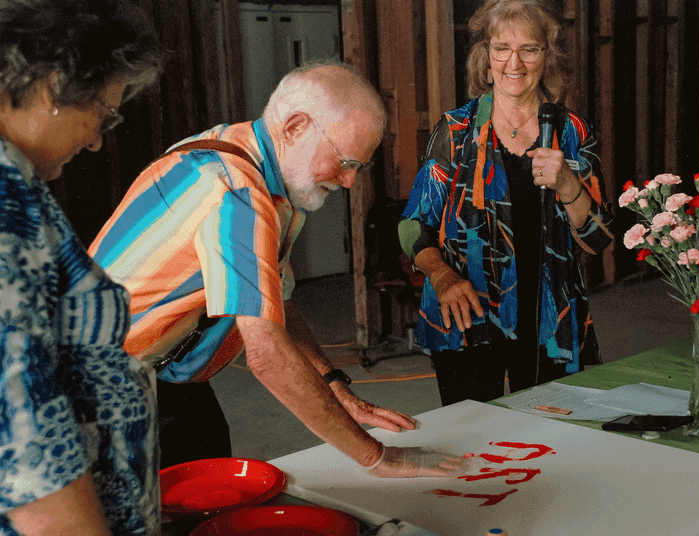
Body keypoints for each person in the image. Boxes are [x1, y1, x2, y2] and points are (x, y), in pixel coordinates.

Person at [89, 61, 466, 478]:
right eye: (343, 162)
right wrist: (376, 457)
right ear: (295, 127)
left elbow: (279, 303)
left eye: (358, 167)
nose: (348, 182)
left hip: (168, 378)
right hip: (97, 386)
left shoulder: (251, 161)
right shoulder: (237, 194)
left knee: (211, 487)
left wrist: (334, 384)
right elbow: (267, 354)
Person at [0, 0, 165, 535]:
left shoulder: (22, 185)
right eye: (103, 112)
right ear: (52, 84)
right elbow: (24, 441)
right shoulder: (4, 198)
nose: (97, 140)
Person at [399, 0, 614, 406]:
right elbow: (412, 225)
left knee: (553, 442)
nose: (514, 62)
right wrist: (442, 277)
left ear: (546, 57)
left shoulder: (572, 132)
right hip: (468, 316)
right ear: (486, 57)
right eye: (502, 48)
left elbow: (598, 240)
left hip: (551, 321)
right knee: (475, 445)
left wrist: (568, 183)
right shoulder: (457, 130)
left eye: (529, 49)